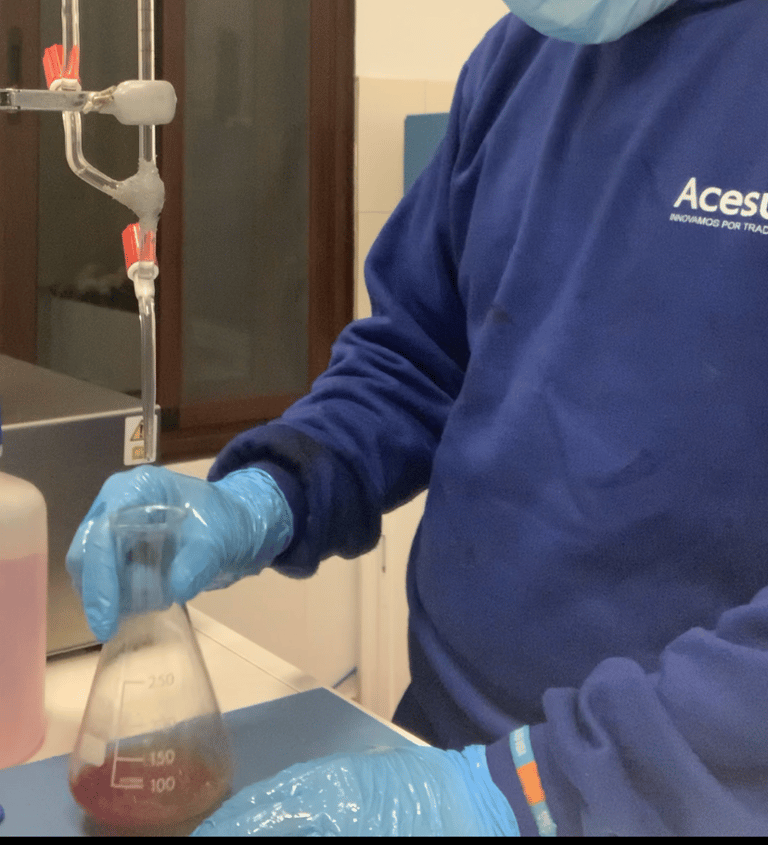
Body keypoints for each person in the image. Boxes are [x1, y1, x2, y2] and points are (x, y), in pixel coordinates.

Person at [67, 0, 768, 836]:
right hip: (447, 743)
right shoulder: (519, 62)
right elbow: (417, 356)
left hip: (681, 798)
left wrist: (527, 797)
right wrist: (270, 491)